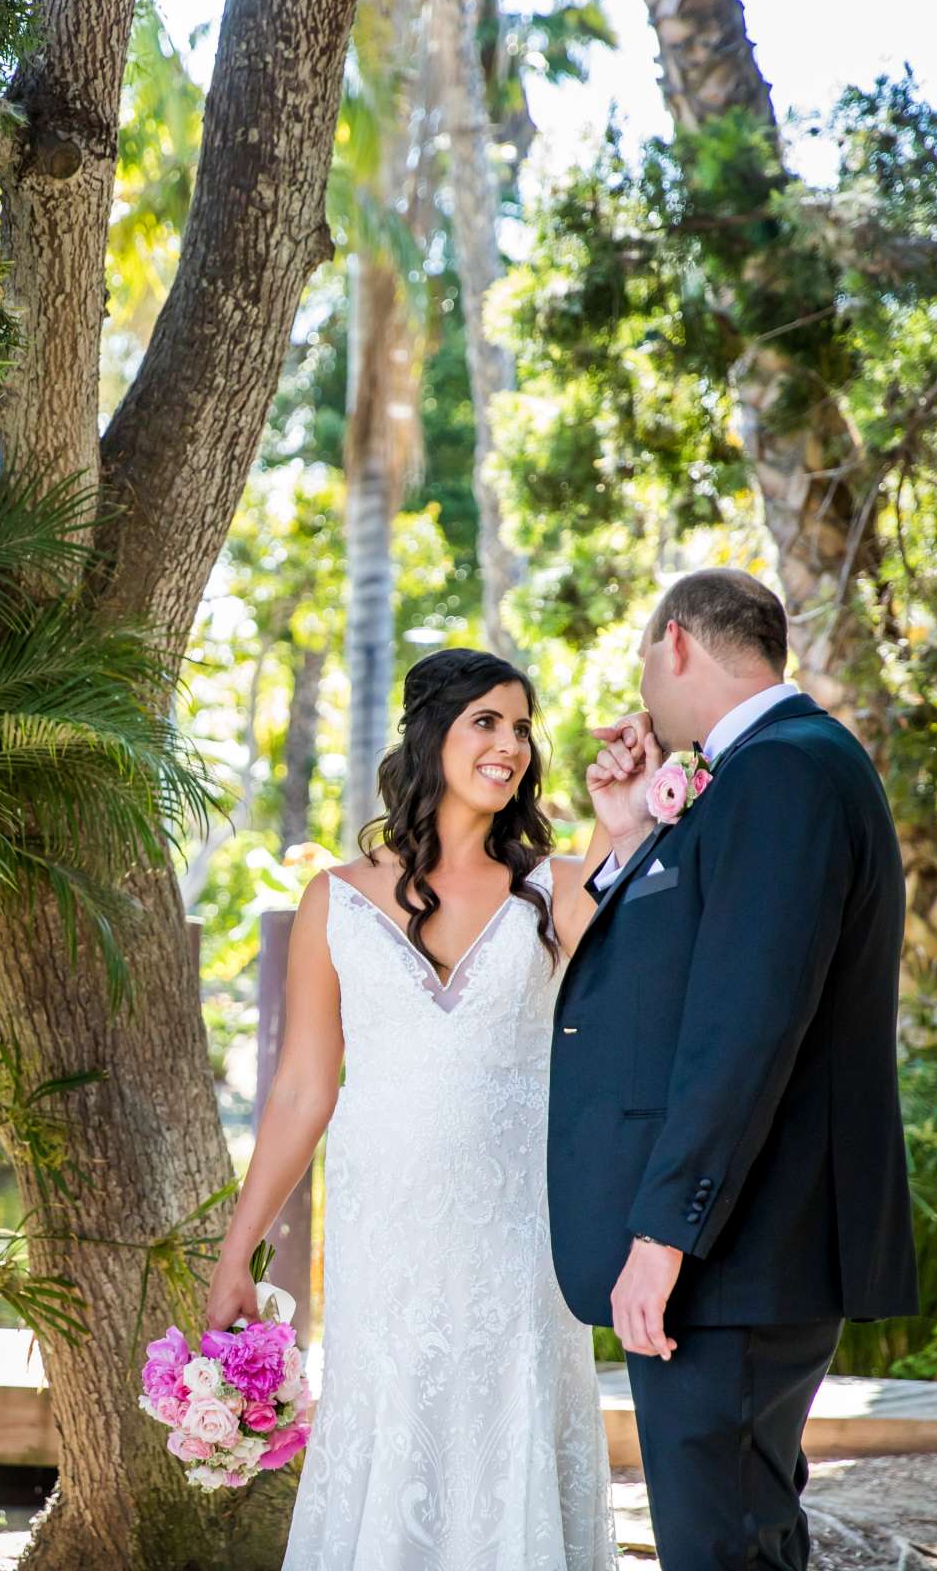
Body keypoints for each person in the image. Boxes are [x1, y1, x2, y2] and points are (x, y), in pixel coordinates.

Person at [207, 647, 618, 1570]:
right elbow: (304, 1090)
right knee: (392, 1428)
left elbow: (622, 1012)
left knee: (508, 1426)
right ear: (431, 733)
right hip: (383, 1236)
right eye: (487, 722)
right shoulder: (334, 902)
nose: (510, 745)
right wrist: (239, 1253)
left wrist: (616, 822)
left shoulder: (554, 887)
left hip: (520, 1234)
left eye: (521, 729)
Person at [556, 568, 919, 1570]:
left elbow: (746, 1027)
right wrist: (631, 827)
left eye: (642, 657)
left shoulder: (784, 772)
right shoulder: (768, 769)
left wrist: (664, 1232)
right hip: (743, 1253)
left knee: (724, 1545)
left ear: (676, 641)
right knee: (732, 1531)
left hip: (739, 1254)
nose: (643, 683)